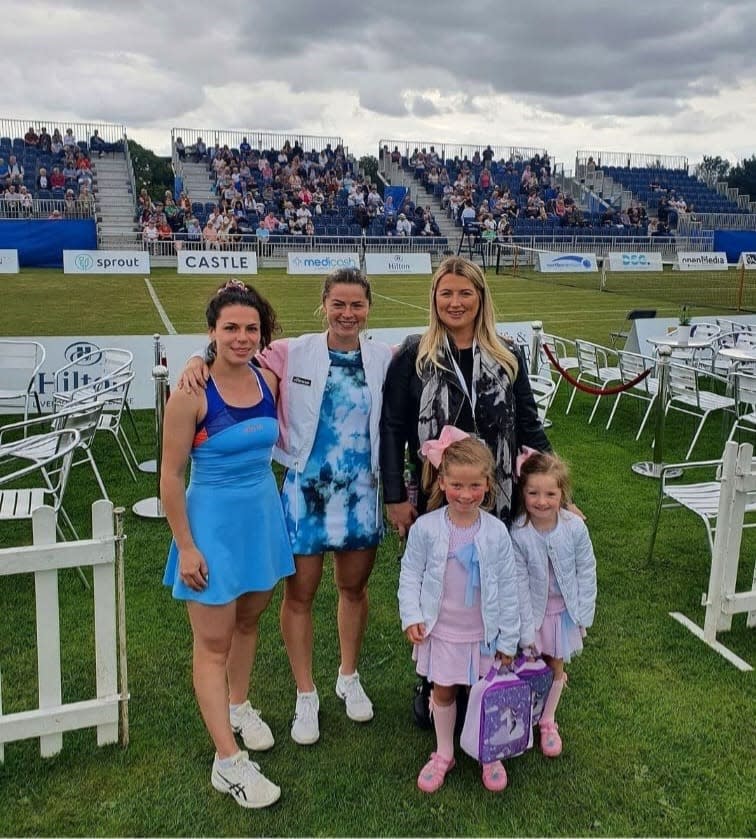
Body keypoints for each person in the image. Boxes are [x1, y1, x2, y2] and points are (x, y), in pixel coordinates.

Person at [179, 268, 393, 747]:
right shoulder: (291, 351)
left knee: (353, 589)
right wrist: (197, 355)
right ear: (323, 305)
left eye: (357, 305)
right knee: (300, 595)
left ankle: (348, 675)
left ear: (368, 309)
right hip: (305, 492)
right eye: (338, 303)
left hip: (361, 494)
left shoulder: (385, 357)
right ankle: (305, 693)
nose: (347, 313)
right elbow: (236, 352)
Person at [162, 280, 294, 810]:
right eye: (230, 328)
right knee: (212, 645)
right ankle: (227, 761)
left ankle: (239, 705)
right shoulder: (190, 393)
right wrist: (187, 547)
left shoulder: (266, 376)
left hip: (261, 519)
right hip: (212, 525)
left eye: (251, 328)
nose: (242, 337)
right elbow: (171, 477)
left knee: (247, 621)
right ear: (212, 331)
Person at [398, 430, 519, 793]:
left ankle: (489, 752)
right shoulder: (427, 529)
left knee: (485, 693)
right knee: (444, 691)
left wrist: (508, 639)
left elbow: (508, 589)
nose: (465, 495)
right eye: (457, 485)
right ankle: (444, 752)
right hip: (444, 630)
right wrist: (412, 615)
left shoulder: (496, 533)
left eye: (474, 486)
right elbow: (410, 575)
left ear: (487, 484)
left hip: (484, 633)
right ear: (442, 481)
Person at [512, 452, 596, 758]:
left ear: (562, 494)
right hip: (535, 614)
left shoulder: (574, 528)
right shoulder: (518, 533)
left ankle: (548, 720)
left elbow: (586, 570)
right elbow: (519, 583)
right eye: (533, 493)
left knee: (556, 664)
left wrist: (584, 612)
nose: (542, 501)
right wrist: (525, 628)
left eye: (550, 494)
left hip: (563, 612)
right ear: (523, 493)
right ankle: (525, 712)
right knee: (531, 663)